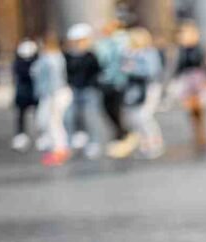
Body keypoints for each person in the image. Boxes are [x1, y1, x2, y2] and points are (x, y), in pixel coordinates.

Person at [119, 27, 164, 159]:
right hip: (134, 89)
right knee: (134, 118)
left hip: (149, 87)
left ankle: (155, 143)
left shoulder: (149, 53)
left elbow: (152, 71)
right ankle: (144, 144)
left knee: (144, 116)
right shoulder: (129, 53)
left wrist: (133, 69)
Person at [95, 20, 136, 157]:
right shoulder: (104, 43)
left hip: (119, 81)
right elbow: (101, 60)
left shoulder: (121, 41)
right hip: (107, 81)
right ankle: (122, 133)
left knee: (117, 110)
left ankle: (122, 136)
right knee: (107, 109)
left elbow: (123, 60)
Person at [32, 34, 72, 166]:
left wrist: (53, 95)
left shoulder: (52, 59)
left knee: (54, 122)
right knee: (48, 122)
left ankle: (60, 149)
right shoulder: (50, 57)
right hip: (49, 93)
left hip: (54, 94)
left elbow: (55, 78)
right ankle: (57, 147)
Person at [64, 23, 103, 158]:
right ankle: (75, 138)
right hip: (75, 89)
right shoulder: (69, 55)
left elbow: (97, 72)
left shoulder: (90, 55)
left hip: (89, 89)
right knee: (70, 115)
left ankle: (94, 143)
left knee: (90, 116)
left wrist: (92, 83)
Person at [175, 21, 206, 151]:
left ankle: (201, 135)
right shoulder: (182, 50)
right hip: (187, 81)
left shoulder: (198, 48)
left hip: (198, 80)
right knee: (190, 109)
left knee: (200, 108)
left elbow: (202, 63)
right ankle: (197, 134)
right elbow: (179, 66)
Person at [11, 39, 39, 152]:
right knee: (22, 115)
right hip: (23, 93)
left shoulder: (35, 62)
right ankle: (21, 134)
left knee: (38, 115)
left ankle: (40, 134)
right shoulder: (19, 64)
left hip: (33, 92)